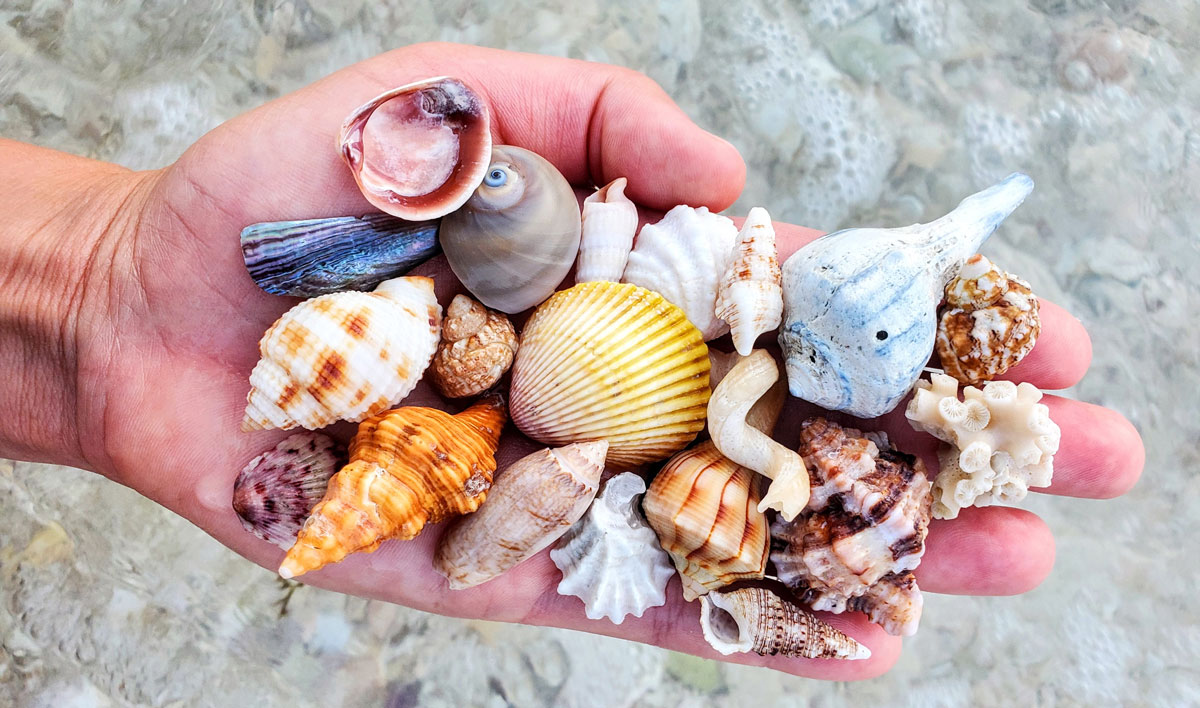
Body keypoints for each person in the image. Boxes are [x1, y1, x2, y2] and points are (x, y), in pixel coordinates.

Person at [0, 43, 1143, 680]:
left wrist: (103, 282)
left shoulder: (710, 376)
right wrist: (110, 283)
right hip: (527, 386)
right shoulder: (502, 364)